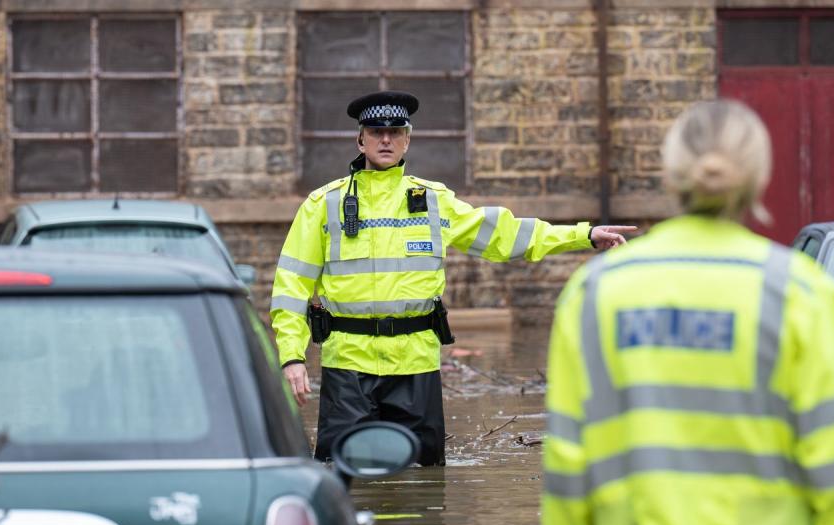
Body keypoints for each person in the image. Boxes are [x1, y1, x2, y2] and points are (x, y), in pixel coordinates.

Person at [541, 99, 834, 525]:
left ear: (670, 174)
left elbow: (567, 468)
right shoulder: (798, 290)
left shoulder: (596, 292)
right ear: (760, 176)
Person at [270, 90, 635, 466]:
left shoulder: (433, 201)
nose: (385, 139)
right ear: (360, 139)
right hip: (347, 366)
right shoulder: (323, 205)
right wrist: (292, 357)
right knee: (342, 476)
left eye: (395, 132)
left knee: (424, 482)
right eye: (376, 131)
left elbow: (503, 235)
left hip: (416, 369)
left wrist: (582, 235)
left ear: (407, 139)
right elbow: (291, 286)